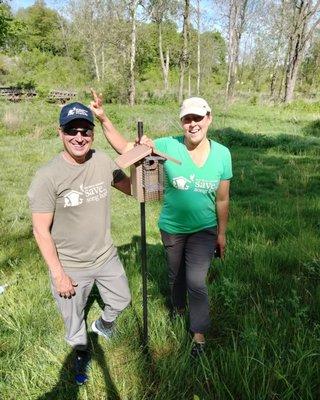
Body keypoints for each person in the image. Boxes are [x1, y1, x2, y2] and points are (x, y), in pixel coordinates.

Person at [90, 92, 232, 356]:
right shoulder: (168, 145)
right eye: (187, 119)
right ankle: (178, 309)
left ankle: (198, 336)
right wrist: (103, 118)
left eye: (198, 118)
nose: (193, 124)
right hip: (172, 229)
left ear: (209, 119)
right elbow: (124, 149)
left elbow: (222, 200)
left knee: (197, 281)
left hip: (205, 229)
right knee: (175, 275)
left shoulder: (223, 154)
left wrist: (221, 233)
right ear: (182, 123)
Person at [28, 102, 132, 384]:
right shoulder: (47, 177)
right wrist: (59, 274)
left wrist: (148, 161)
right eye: (71, 130)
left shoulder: (102, 162)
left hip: (105, 256)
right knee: (74, 322)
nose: (79, 137)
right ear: (60, 133)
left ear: (92, 134)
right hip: (71, 265)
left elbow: (133, 189)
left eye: (85, 130)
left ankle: (103, 325)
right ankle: (80, 352)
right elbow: (40, 230)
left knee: (122, 299)